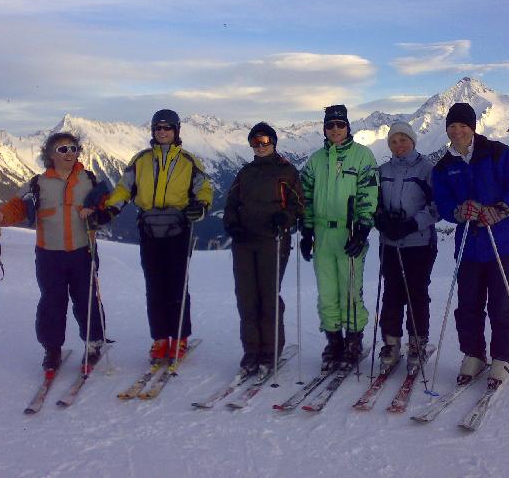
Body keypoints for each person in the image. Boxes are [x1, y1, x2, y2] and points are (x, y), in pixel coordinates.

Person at [92, 109, 212, 366]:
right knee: (155, 286)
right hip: (149, 229)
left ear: (176, 131)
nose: (162, 132)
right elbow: (124, 188)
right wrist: (111, 208)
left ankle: (179, 337)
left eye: (167, 128)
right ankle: (160, 339)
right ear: (153, 131)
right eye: (158, 127)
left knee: (177, 285)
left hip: (179, 228)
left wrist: (201, 206)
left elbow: (203, 188)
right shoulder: (141, 160)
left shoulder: (189, 161)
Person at [432, 102, 509, 390]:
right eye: (452, 126)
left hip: (503, 241)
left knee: (501, 303)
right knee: (468, 304)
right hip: (469, 244)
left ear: (473, 127)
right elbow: (443, 202)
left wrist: (500, 209)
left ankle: (502, 357)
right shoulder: (444, 166)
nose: (457, 131)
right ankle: (473, 354)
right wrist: (457, 211)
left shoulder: (498, 153)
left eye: (463, 125)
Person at [0, 131, 106, 371]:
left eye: (73, 148)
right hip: (49, 255)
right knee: (52, 302)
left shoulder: (90, 180)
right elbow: (17, 206)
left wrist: (97, 212)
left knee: (87, 300)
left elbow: (106, 206)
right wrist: (1, 215)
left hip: (82, 252)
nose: (69, 153)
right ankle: (52, 349)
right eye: (63, 149)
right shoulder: (37, 183)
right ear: (51, 154)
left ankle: (94, 343)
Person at [300, 105, 379, 370]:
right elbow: (306, 196)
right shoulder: (315, 160)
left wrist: (363, 228)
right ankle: (334, 342)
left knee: (350, 291)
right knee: (327, 293)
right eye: (330, 125)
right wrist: (307, 230)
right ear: (324, 129)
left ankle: (353, 341)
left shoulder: (362, 156)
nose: (335, 129)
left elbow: (369, 194)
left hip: (350, 232)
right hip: (322, 234)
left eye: (340, 124)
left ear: (348, 127)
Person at [223, 122, 304, 373]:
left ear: (273, 143)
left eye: (264, 141)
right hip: (245, 241)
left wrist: (285, 218)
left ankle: (270, 352)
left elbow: (298, 204)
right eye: (254, 142)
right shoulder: (245, 172)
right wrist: (232, 225)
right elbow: (231, 203)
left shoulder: (287, 171)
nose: (259, 146)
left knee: (268, 296)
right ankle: (252, 352)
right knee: (246, 297)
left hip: (273, 239)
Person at [374, 122, 439, 374]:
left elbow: (437, 206)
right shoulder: (383, 171)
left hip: (419, 243)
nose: (398, 145)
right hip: (390, 244)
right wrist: (381, 220)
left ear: (413, 141)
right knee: (391, 294)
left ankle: (417, 344)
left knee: (416, 294)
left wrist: (412, 224)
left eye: (403, 140)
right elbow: (373, 202)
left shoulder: (426, 169)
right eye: (393, 141)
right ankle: (391, 344)